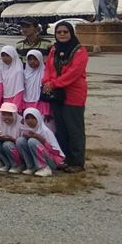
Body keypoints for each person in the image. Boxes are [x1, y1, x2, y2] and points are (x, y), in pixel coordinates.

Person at [42, 21, 89, 173]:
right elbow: (48, 68)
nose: (62, 34)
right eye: (59, 32)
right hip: (56, 94)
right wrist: (46, 82)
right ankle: (64, 158)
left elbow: (74, 73)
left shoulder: (80, 50)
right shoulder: (54, 49)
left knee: (74, 129)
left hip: (73, 94)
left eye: (65, 32)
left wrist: (53, 83)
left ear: (71, 33)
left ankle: (77, 162)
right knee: (61, 128)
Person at [16, 107, 64, 177]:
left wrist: (40, 139)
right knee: (20, 141)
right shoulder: (25, 129)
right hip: (37, 159)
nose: (30, 120)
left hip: (51, 161)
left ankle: (44, 168)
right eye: (27, 118)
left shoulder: (45, 131)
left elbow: (56, 151)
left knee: (32, 141)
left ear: (38, 118)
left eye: (33, 118)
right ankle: (31, 167)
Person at [0, 102, 22, 174]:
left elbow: (22, 142)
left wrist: (12, 139)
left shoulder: (20, 124)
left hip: (18, 151)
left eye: (9, 115)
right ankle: (7, 163)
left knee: (7, 144)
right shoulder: (1, 123)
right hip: (7, 147)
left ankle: (17, 165)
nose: (6, 117)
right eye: (4, 114)